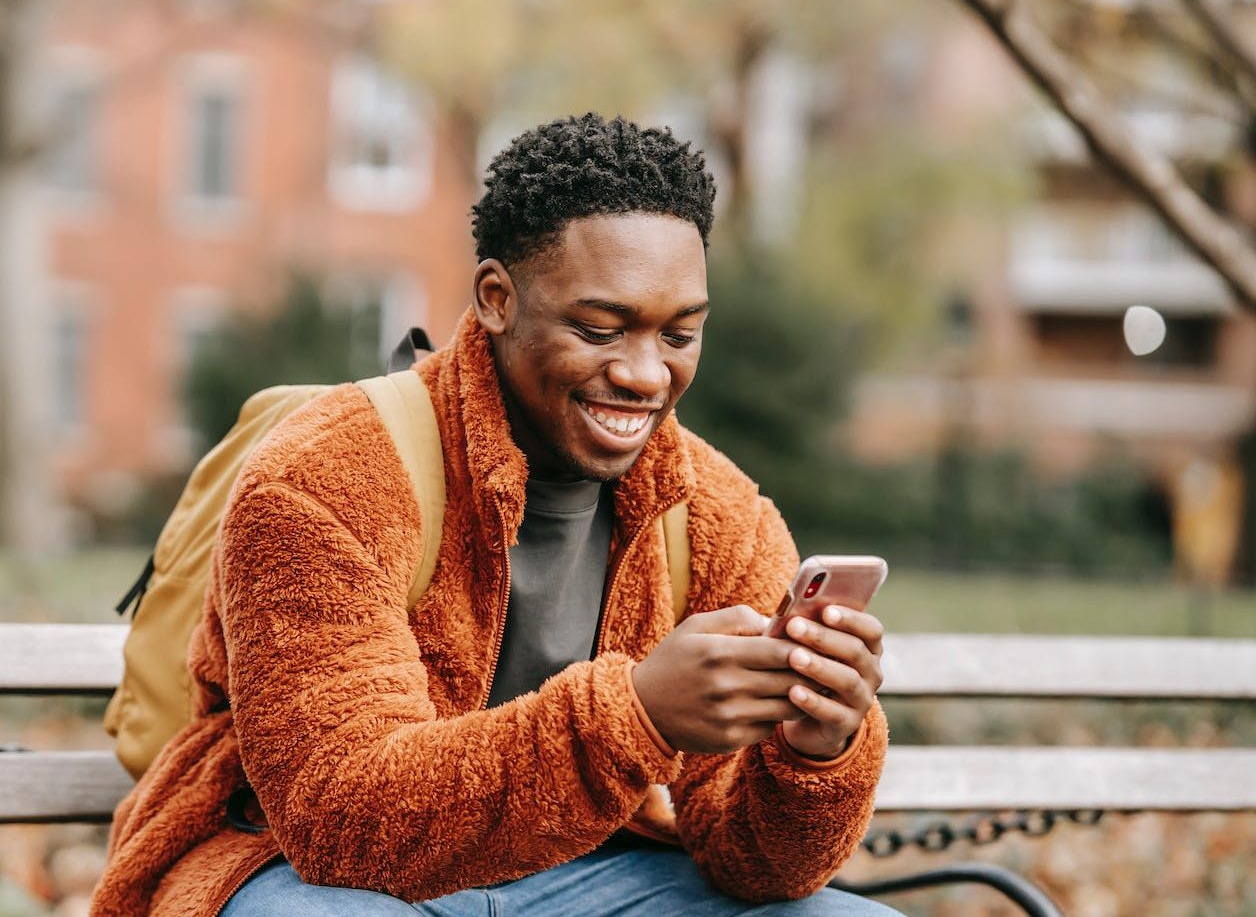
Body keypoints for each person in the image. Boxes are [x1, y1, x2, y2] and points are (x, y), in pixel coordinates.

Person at [91, 114, 896, 916]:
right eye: (599, 329)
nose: (646, 374)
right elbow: (338, 823)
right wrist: (637, 715)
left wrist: (813, 752)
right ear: (497, 299)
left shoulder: (720, 518)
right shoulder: (326, 473)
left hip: (591, 874)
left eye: (680, 333)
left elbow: (754, 868)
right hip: (297, 871)